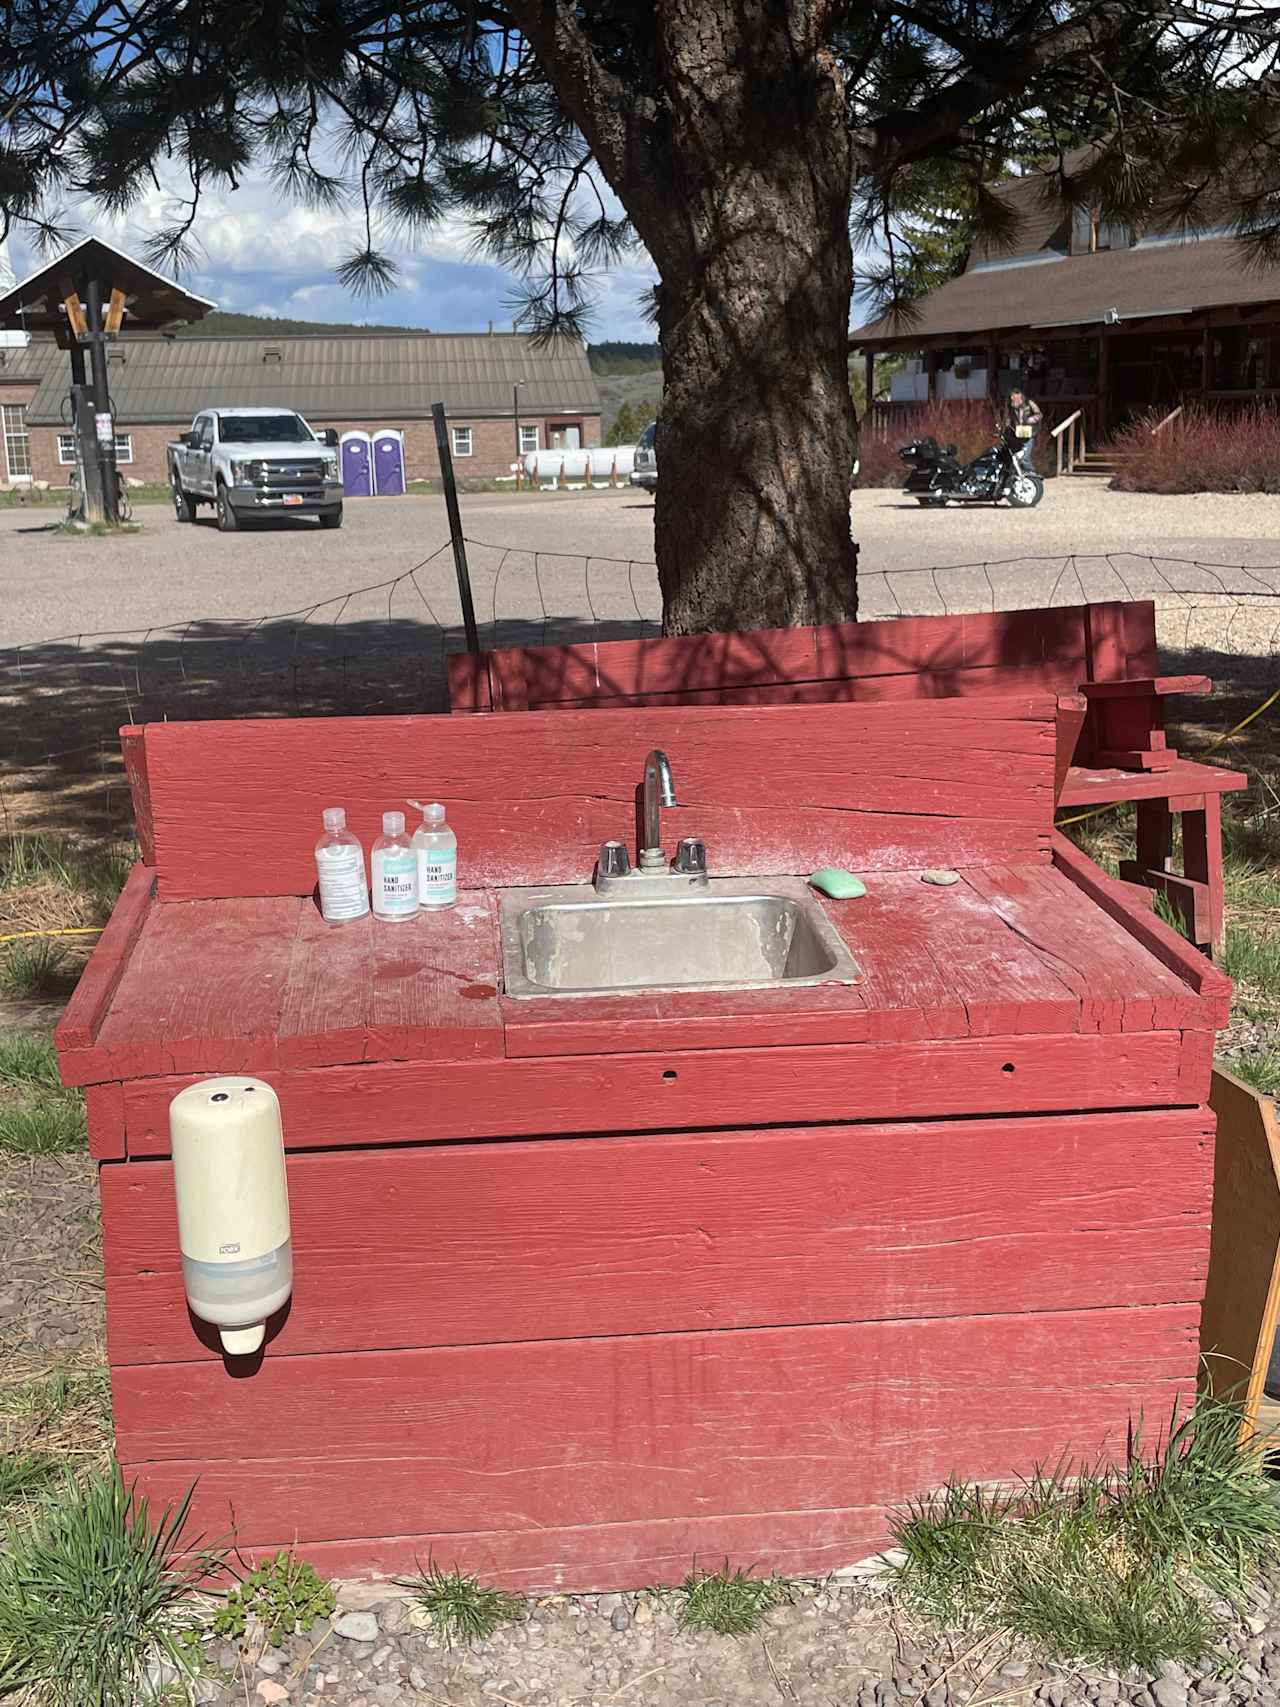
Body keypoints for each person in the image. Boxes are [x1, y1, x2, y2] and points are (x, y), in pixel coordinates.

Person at [1006, 387, 1043, 471]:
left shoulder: (1029, 403)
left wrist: (1030, 420)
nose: (1012, 398)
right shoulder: (1012, 407)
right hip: (1018, 434)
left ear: (1019, 395)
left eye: (1014, 396)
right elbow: (1010, 419)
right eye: (1011, 397)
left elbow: (1039, 415)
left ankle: (1033, 477)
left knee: (1025, 458)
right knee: (1017, 457)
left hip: (1030, 433)